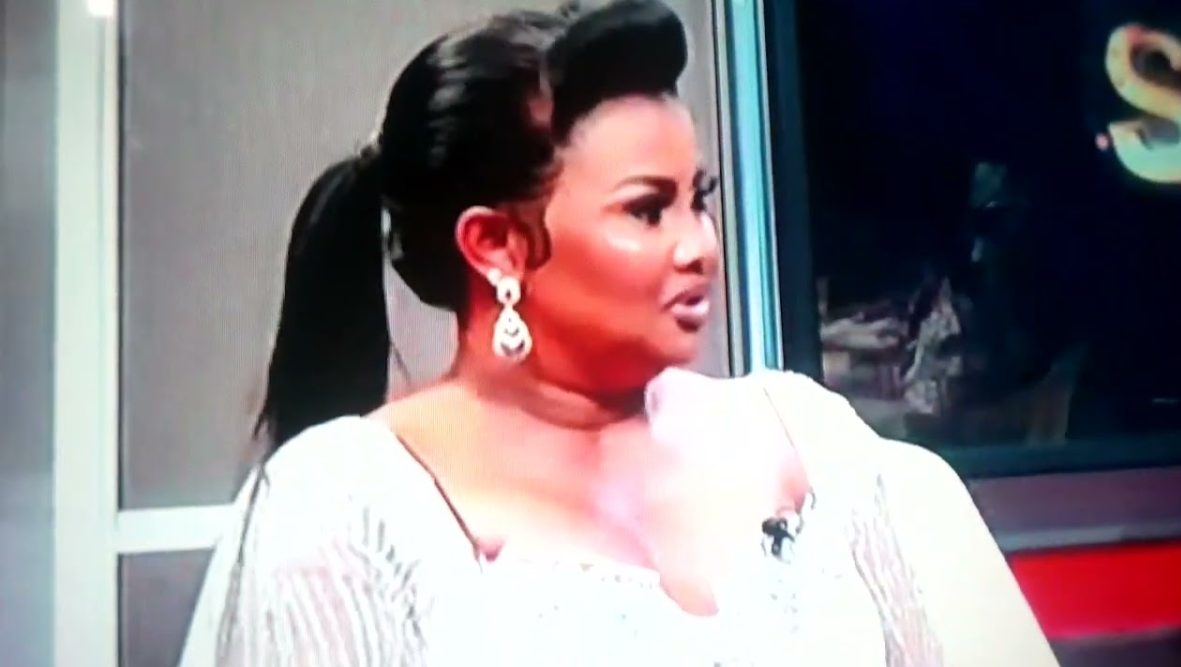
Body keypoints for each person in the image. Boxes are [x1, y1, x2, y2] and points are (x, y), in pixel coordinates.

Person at [180, 2, 1057, 665]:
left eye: (698, 200)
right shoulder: (344, 507)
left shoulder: (809, 439)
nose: (699, 246)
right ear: (495, 245)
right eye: (647, 210)